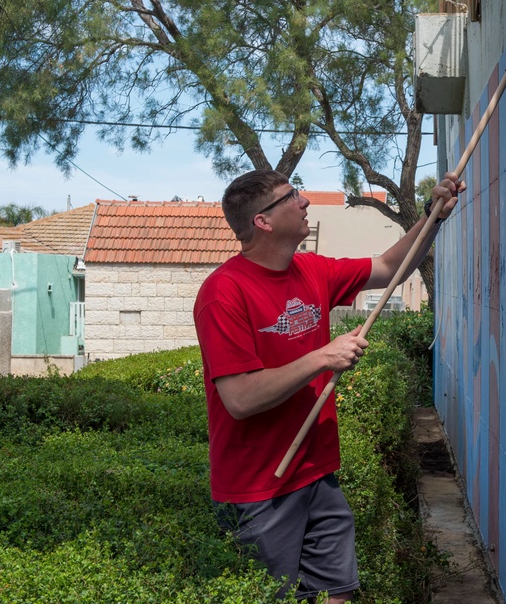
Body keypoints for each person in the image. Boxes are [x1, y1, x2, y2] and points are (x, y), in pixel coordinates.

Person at [193, 169, 464, 602]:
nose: (304, 203)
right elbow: (240, 399)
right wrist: (322, 357)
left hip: (317, 473)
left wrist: (434, 215)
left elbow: (390, 266)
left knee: (336, 594)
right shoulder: (223, 292)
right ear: (262, 222)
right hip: (258, 488)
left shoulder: (311, 269)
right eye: (291, 197)